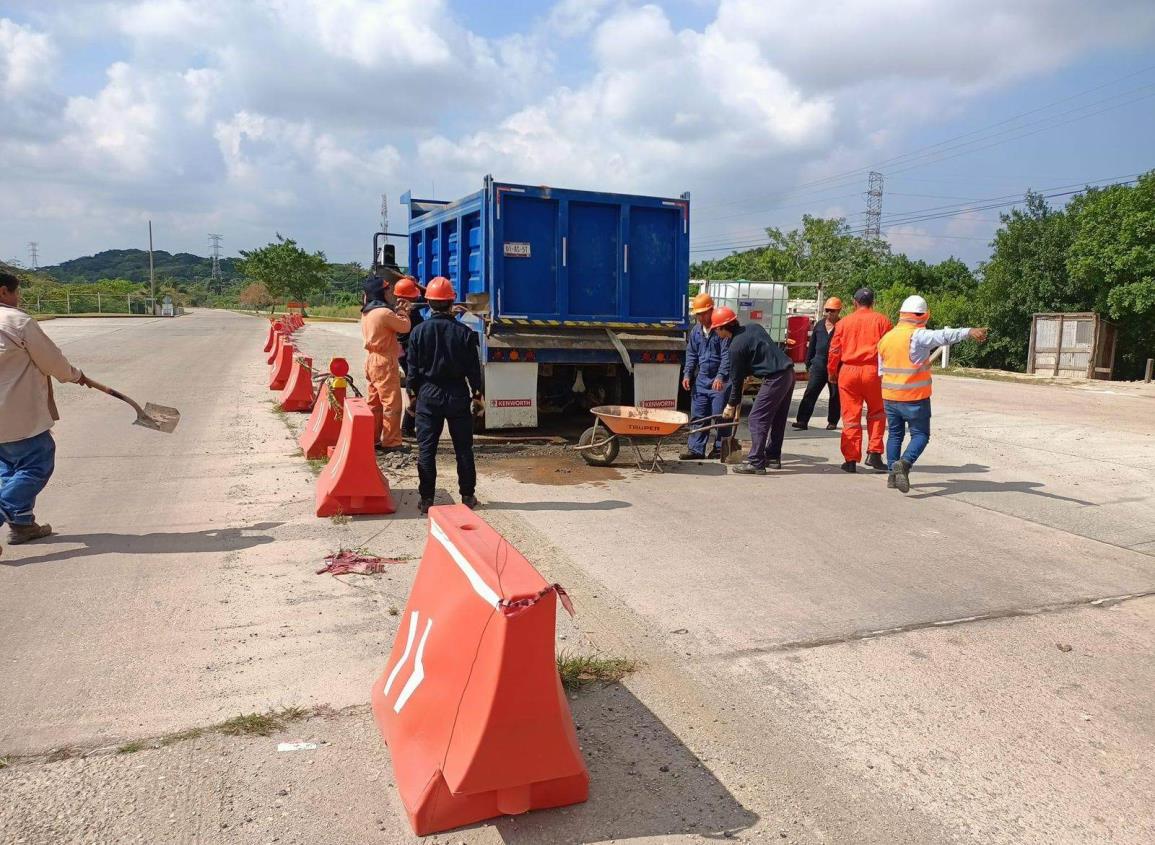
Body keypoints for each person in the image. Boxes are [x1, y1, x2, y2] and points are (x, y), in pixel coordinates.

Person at [0, 269, 87, 556]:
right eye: (15, 292)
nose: (18, 297)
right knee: (36, 464)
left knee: (8, 470)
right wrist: (74, 375)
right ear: (3, 291)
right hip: (16, 415)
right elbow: (52, 362)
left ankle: (23, 524)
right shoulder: (16, 321)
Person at [879, 295, 987, 493]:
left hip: (889, 397)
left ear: (901, 314)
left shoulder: (886, 338)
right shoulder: (918, 336)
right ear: (924, 316)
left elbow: (881, 370)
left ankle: (892, 476)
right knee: (921, 435)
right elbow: (944, 336)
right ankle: (904, 464)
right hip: (914, 398)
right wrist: (969, 331)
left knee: (895, 434)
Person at [405, 276, 484, 514]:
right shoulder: (465, 333)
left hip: (428, 395)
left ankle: (427, 499)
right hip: (458, 394)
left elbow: (412, 371)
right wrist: (477, 397)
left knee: (427, 450)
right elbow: (473, 370)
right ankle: (468, 496)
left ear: (428, 303)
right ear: (451, 303)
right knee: (463, 449)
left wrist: (412, 398)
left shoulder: (418, 332)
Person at [714, 307, 796, 475]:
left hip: (775, 378)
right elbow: (761, 352)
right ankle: (773, 456)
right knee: (778, 418)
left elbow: (736, 382)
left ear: (723, 327)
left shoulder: (735, 347)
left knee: (756, 418)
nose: (716, 332)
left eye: (716, 328)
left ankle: (756, 462)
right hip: (788, 373)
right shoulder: (753, 327)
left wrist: (730, 404)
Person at [827, 287, 892, 474]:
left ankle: (850, 459)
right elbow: (889, 347)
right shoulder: (882, 321)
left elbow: (834, 350)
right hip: (874, 372)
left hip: (848, 372)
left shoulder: (844, 323)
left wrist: (832, 371)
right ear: (873, 302)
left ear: (855, 303)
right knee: (877, 413)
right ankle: (875, 453)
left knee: (850, 417)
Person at [361, 276, 411, 454]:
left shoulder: (368, 312)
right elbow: (404, 327)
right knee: (392, 404)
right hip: (384, 361)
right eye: (388, 290)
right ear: (380, 293)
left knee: (374, 403)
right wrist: (404, 312)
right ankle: (391, 442)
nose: (391, 293)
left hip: (372, 360)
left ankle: (373, 438)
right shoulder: (384, 313)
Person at [680, 292, 732, 460]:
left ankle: (720, 448)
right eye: (698, 314)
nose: (700, 317)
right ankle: (696, 449)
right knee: (698, 415)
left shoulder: (720, 330)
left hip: (720, 381)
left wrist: (720, 376)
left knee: (720, 416)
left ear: (711, 310)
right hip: (702, 380)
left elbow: (726, 356)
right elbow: (691, 355)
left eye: (702, 314)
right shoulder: (696, 332)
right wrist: (687, 374)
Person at [792, 297, 842, 431]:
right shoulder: (819, 325)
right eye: (827, 310)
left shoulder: (843, 326)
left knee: (835, 395)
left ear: (838, 311)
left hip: (836, 365)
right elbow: (812, 345)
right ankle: (802, 420)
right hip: (818, 364)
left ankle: (832, 421)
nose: (830, 313)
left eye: (833, 311)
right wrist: (808, 364)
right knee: (811, 392)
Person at [393, 277, 425, 438]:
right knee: (415, 390)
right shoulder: (401, 313)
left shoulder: (409, 305)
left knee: (416, 390)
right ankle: (407, 427)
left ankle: (408, 427)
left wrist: (414, 283)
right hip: (408, 356)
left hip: (409, 354)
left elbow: (429, 298)